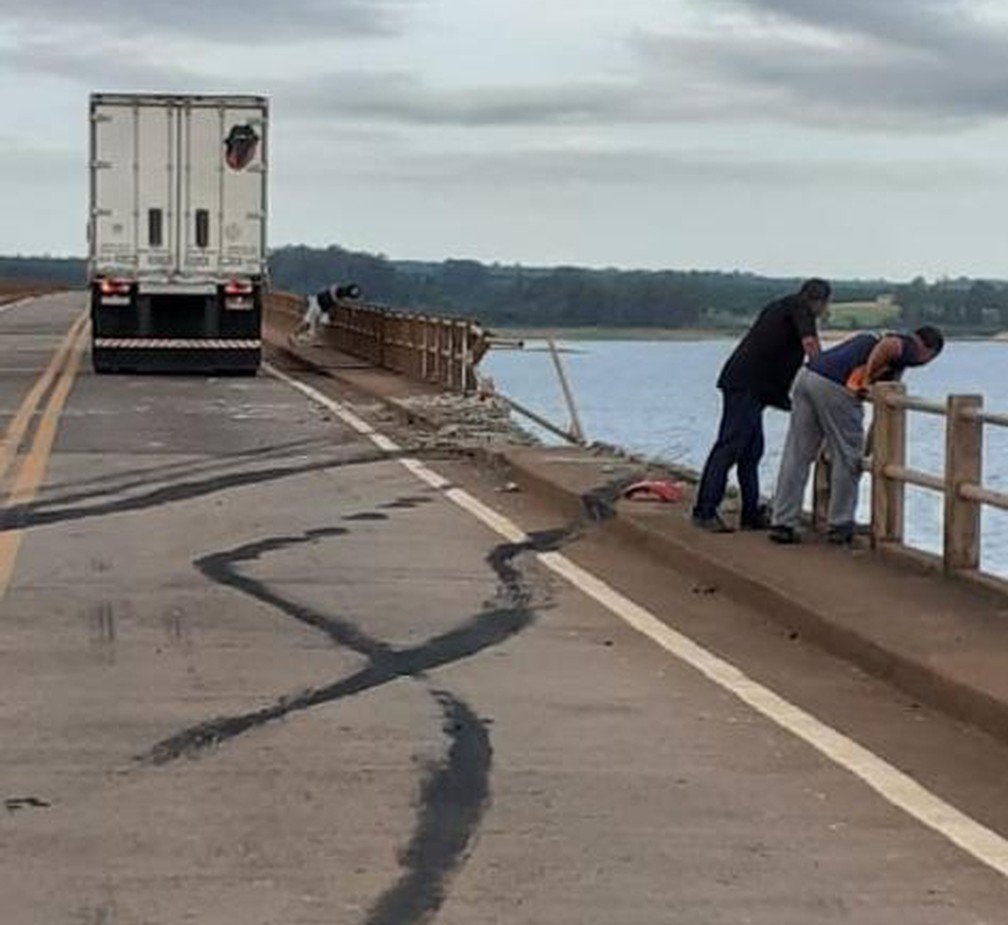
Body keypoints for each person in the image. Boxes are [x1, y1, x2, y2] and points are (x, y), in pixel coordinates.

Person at [768, 326, 945, 545]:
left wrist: (869, 448)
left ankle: (782, 521)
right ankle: (840, 525)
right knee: (847, 457)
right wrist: (867, 380)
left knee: (797, 454)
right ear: (929, 351)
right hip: (836, 385)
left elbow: (885, 398)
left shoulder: (886, 350)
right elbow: (888, 347)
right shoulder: (908, 346)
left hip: (808, 375)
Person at [691, 278, 831, 533]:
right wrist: (828, 375)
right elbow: (810, 345)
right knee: (730, 447)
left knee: (751, 451)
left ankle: (750, 513)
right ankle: (705, 510)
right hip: (747, 386)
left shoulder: (781, 306)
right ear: (819, 303)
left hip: (751, 385)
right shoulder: (802, 310)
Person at [291, 283, 361, 344]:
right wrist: (337, 301)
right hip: (316, 303)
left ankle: (314, 339)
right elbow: (332, 291)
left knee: (323, 324)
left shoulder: (341, 297)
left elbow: (341, 302)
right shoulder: (336, 288)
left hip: (324, 309)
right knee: (307, 321)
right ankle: (294, 334)